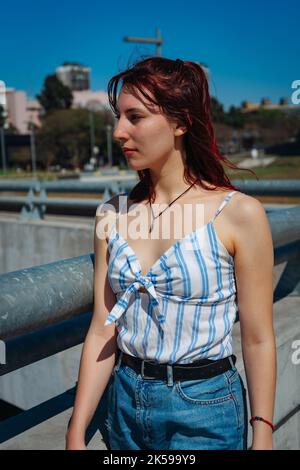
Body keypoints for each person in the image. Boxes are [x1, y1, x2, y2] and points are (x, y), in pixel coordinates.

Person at [65, 57, 276, 451]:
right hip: (124, 403)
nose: (118, 132)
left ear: (180, 123)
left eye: (135, 117)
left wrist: (262, 429)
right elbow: (102, 328)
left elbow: (259, 337)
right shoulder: (110, 214)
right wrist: (76, 430)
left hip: (205, 407)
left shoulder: (238, 213)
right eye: (118, 117)